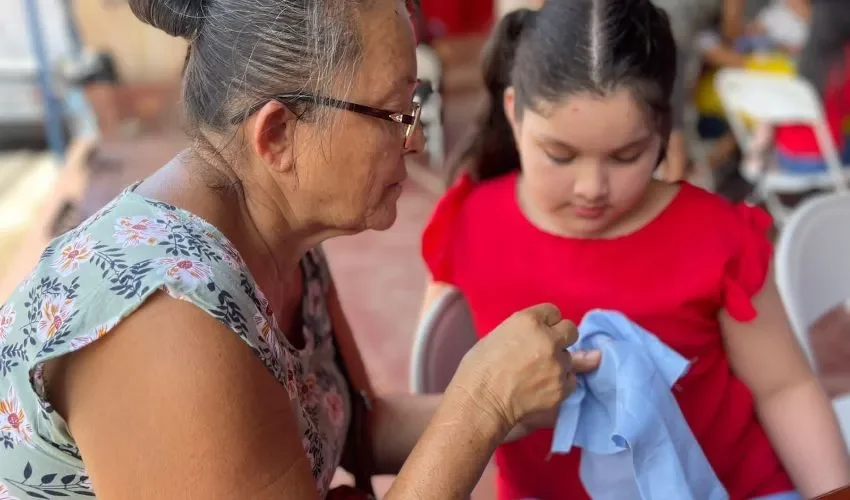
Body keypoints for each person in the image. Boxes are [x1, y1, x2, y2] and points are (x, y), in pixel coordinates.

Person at [0, 0, 601, 498]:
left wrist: (520, 402)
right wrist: (480, 402)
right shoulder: (162, 317)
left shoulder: (282, 237)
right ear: (279, 134)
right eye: (392, 112)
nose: (414, 139)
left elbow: (355, 425)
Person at [421, 0, 850, 499]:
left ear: (662, 132)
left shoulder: (716, 236)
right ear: (514, 113)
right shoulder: (469, 223)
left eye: (626, 156)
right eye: (559, 154)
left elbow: (784, 388)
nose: (591, 187)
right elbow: (442, 395)